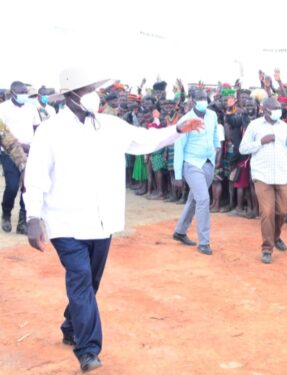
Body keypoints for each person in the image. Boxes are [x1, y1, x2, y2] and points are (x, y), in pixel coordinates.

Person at [23, 67, 202, 372]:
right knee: (80, 279)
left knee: (90, 283)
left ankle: (70, 325)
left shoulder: (110, 125)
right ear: (70, 96)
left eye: (94, 87)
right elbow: (36, 175)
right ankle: (88, 349)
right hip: (64, 222)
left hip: (102, 221)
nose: (94, 93)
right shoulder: (50, 131)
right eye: (86, 89)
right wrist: (33, 216)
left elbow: (144, 140)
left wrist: (178, 131)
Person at [239, 97, 287, 264]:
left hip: (282, 175)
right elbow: (243, 148)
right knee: (267, 212)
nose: (278, 111)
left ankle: (276, 236)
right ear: (264, 109)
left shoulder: (285, 128)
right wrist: (260, 142)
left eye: (279, 108)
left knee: (282, 211)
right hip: (262, 176)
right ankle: (267, 248)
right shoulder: (255, 126)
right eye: (274, 108)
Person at [171, 89, 221, 256]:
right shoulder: (185, 121)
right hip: (191, 164)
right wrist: (178, 175)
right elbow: (179, 148)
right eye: (199, 98)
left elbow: (215, 136)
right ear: (192, 100)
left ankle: (180, 231)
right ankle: (204, 242)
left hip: (208, 163)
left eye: (204, 98)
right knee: (203, 199)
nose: (202, 100)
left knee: (195, 199)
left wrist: (216, 151)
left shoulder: (212, 115)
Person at [0, 81, 41, 234]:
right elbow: (2, 134)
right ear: (12, 93)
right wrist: (19, 145)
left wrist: (36, 145)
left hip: (30, 153)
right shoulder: (2, 108)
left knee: (27, 187)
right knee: (12, 186)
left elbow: (37, 128)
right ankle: (6, 214)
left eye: (25, 91)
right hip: (8, 153)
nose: (24, 94)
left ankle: (23, 222)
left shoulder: (31, 108)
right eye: (20, 92)